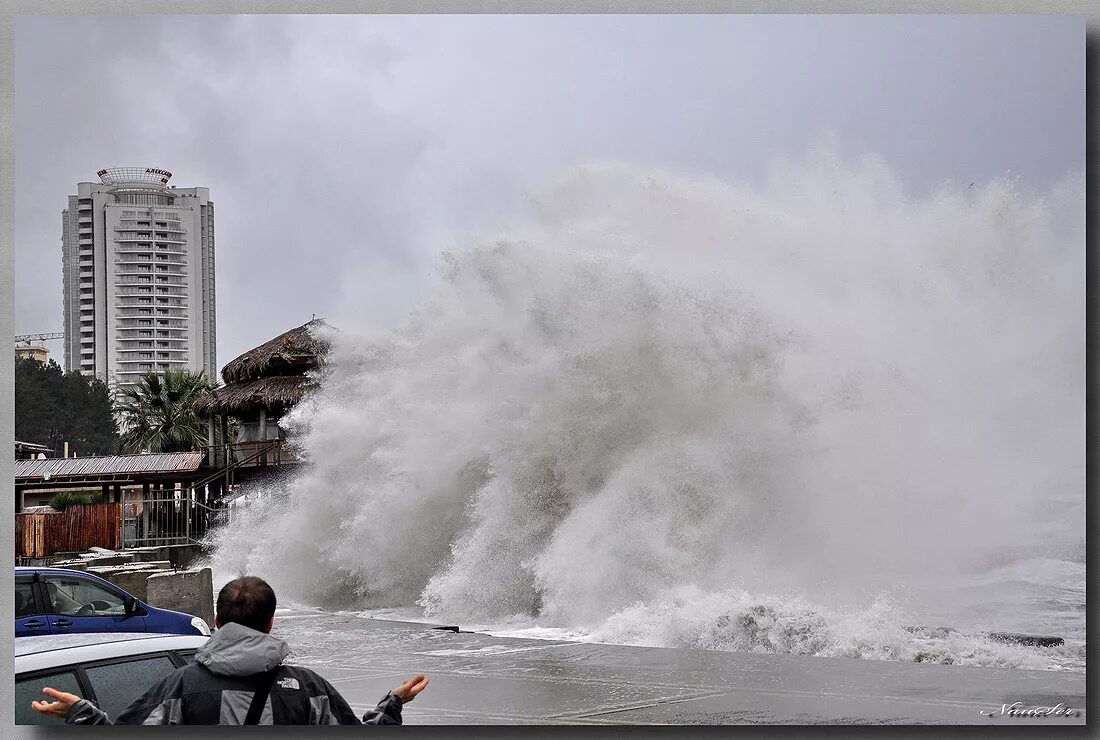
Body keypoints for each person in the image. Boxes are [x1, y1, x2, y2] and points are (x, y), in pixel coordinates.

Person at [32, 576, 430, 725]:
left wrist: (82, 713)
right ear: (272, 623)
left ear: (218, 622)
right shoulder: (310, 690)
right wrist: (392, 704)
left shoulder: (178, 688)